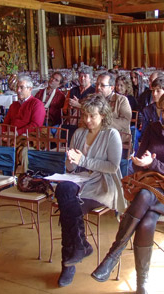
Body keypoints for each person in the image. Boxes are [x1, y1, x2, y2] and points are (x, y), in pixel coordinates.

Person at [91, 90, 164, 294]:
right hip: (150, 187)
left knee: (145, 196)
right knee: (147, 220)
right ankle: (142, 284)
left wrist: (154, 163)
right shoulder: (153, 129)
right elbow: (140, 166)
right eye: (163, 110)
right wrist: (140, 164)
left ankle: (113, 254)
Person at [55, 93, 126, 287]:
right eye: (84, 115)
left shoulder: (111, 134)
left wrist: (83, 161)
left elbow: (113, 167)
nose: (87, 120)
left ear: (103, 115)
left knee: (68, 210)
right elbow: (70, 168)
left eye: (92, 116)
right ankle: (79, 246)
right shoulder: (78, 133)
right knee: (63, 191)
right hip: (81, 179)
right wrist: (70, 161)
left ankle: (69, 263)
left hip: (103, 183)